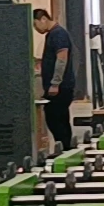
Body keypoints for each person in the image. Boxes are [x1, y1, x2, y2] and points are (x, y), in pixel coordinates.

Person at [33, 8, 75, 151]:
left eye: (36, 24)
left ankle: (64, 148)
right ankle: (65, 148)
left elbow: (61, 59)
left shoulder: (58, 34)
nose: (36, 29)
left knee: (54, 118)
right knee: (60, 118)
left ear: (43, 19)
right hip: (59, 86)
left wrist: (55, 83)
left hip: (60, 87)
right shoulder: (52, 34)